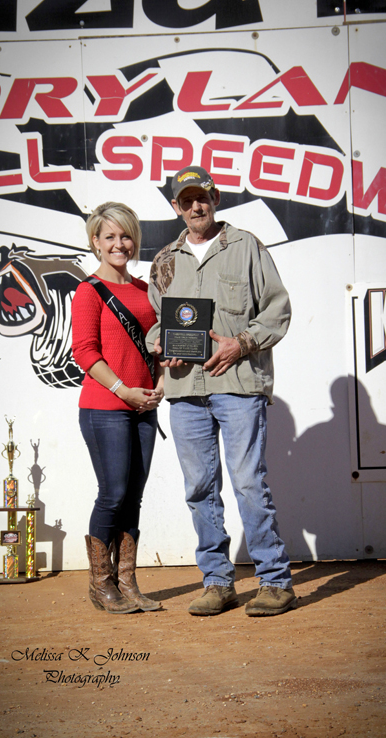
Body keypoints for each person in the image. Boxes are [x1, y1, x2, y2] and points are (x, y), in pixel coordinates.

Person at [146, 166, 296, 617]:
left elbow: (277, 309)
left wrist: (242, 343)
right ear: (176, 206)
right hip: (184, 389)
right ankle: (217, 582)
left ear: (216, 200)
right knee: (199, 488)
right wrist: (159, 342)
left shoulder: (246, 246)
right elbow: (159, 319)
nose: (197, 206)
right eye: (187, 199)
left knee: (248, 483)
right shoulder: (165, 260)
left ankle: (275, 582)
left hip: (238, 384)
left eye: (204, 197)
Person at [72, 202, 163, 614]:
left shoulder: (146, 292)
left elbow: (159, 346)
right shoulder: (88, 291)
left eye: (125, 235)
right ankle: (100, 583)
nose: (119, 243)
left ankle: (127, 581)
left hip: (144, 406)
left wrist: (161, 380)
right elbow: (85, 352)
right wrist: (125, 389)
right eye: (109, 236)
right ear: (95, 242)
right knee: (113, 494)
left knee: (134, 499)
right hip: (105, 406)